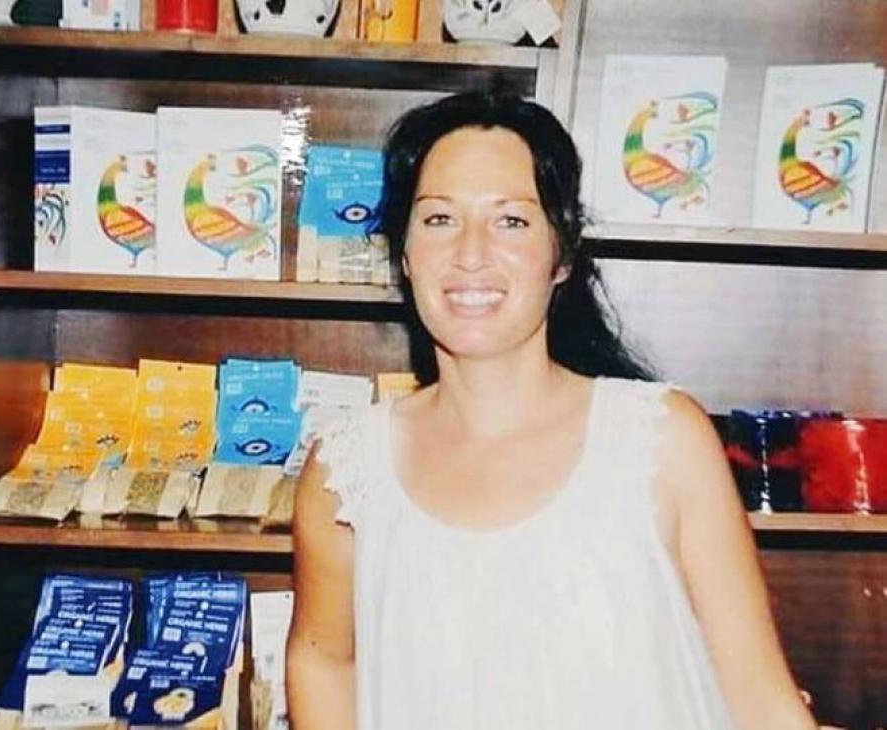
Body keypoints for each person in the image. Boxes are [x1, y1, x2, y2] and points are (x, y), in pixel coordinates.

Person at [286, 93, 818, 730]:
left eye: (511, 221)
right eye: (439, 219)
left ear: (561, 255)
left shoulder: (660, 440)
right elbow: (324, 661)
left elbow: (761, 699)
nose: (471, 253)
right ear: (404, 254)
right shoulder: (348, 471)